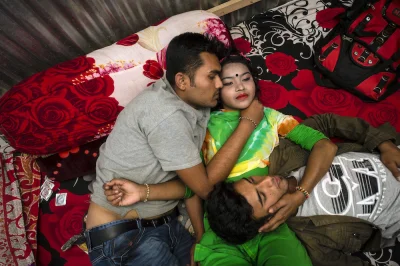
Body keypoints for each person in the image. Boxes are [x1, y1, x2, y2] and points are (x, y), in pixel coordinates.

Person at [104, 53, 340, 265]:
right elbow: (195, 187)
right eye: (229, 82)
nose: (240, 86)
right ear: (217, 90)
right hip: (219, 229)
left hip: (268, 224)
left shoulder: (272, 118)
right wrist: (199, 234)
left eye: (245, 79)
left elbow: (324, 146)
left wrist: (300, 195)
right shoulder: (203, 126)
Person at [84, 33, 267, 266]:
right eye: (212, 77)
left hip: (165, 225)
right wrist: (247, 123)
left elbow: (191, 182)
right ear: (182, 81)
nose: (219, 84)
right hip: (124, 237)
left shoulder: (194, 102)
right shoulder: (167, 116)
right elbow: (205, 187)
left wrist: (199, 236)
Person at [206, 121, 400, 265]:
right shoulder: (314, 243)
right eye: (263, 196)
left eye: (253, 180)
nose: (267, 181)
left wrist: (384, 144)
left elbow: (328, 122)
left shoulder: (282, 153)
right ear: (267, 222)